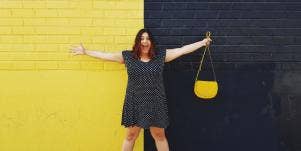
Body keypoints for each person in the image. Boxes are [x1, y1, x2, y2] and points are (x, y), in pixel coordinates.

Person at [70, 28, 212, 151]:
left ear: (152, 42)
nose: (145, 41)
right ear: (138, 41)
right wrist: (86, 51)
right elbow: (107, 55)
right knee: (131, 135)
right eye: (142, 39)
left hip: (155, 102)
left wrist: (202, 42)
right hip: (135, 102)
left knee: (159, 136)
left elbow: (182, 50)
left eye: (148, 38)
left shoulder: (160, 56)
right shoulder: (128, 57)